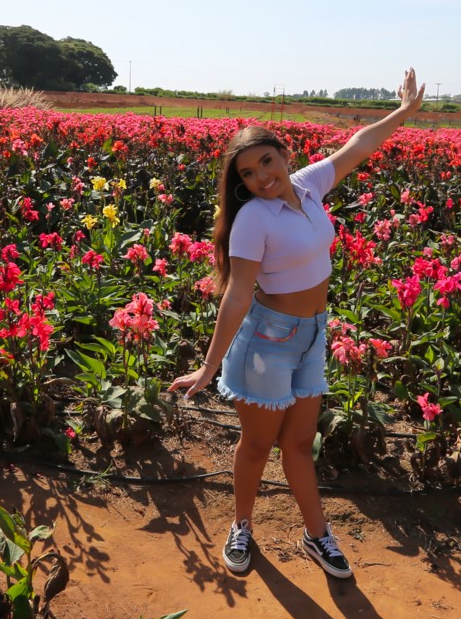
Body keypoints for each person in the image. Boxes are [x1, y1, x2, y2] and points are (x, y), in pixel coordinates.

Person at [169, 68, 425, 578]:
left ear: (285, 155)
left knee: (299, 445)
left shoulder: (307, 186)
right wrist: (208, 366)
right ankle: (242, 526)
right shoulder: (253, 220)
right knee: (258, 445)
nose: (262, 177)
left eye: (267, 162)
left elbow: (358, 145)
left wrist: (404, 112)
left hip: (312, 335)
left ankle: (317, 536)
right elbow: (239, 292)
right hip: (267, 341)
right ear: (240, 183)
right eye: (248, 174)